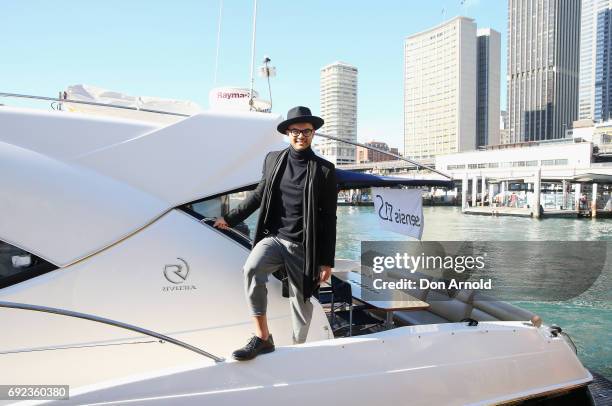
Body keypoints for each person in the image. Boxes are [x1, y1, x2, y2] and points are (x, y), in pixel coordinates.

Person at [213, 106, 338, 361]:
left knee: (301, 305)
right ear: (288, 133)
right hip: (275, 238)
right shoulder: (273, 160)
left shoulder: (324, 169)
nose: (301, 135)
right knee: (251, 269)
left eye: (306, 131)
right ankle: (262, 338)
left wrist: (327, 260)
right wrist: (229, 218)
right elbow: (258, 196)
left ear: (313, 134)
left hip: (305, 247)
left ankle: (297, 352)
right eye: (295, 131)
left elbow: (329, 218)